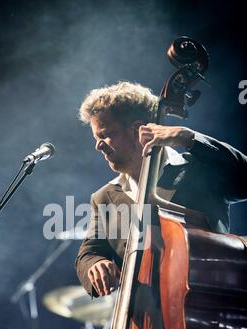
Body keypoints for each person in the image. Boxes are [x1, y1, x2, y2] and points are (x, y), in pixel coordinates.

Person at [75, 81, 247, 298]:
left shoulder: (200, 170)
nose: (98, 145)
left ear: (138, 129)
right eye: (96, 138)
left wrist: (188, 138)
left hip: (206, 311)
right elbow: (89, 253)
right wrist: (96, 263)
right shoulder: (104, 198)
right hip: (140, 324)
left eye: (106, 134)